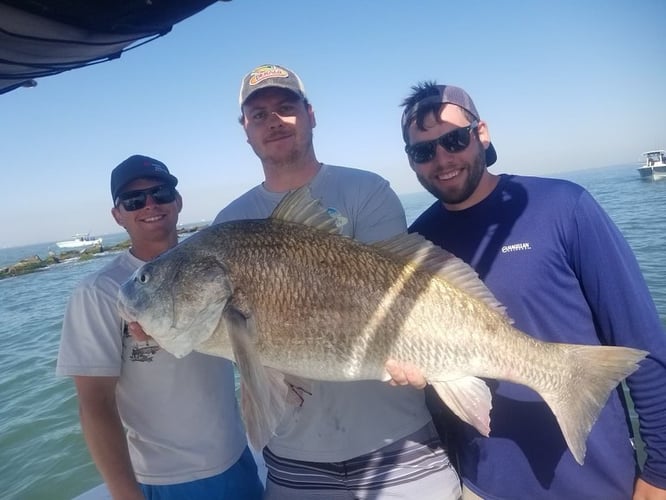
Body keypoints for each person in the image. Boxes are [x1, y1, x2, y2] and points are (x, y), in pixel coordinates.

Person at [392, 81, 666, 499]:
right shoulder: (417, 242)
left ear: (481, 133)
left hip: (597, 481)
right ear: (411, 162)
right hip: (481, 485)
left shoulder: (563, 206)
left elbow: (642, 344)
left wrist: (660, 471)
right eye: (423, 150)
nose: (442, 158)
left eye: (454, 139)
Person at [213, 64, 461, 499]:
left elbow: (396, 288)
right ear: (245, 130)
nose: (273, 120)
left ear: (310, 114)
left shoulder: (366, 190)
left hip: (400, 444)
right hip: (295, 456)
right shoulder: (230, 223)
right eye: (259, 114)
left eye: (286, 108)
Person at [56, 155, 263, 500]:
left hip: (237, 461)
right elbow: (95, 404)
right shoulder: (100, 291)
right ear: (117, 215)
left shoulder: (218, 267)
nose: (150, 204)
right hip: (167, 481)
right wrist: (126, 494)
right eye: (134, 200)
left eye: (160, 193)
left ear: (178, 201)